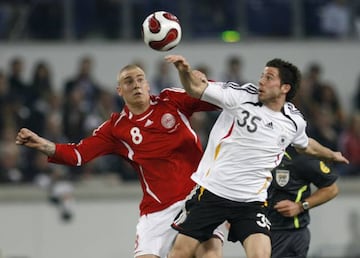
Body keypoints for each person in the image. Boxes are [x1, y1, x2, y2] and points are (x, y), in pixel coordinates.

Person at [15, 64, 223, 258]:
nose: (136, 85)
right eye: (128, 81)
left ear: (148, 84)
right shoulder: (116, 129)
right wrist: (42, 144)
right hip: (157, 210)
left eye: (140, 79)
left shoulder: (172, 100)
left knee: (210, 254)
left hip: (198, 198)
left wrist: (201, 82)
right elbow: (78, 154)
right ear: (119, 91)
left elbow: (215, 98)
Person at [164, 54, 349, 258]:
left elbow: (306, 146)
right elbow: (195, 89)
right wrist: (184, 71)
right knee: (180, 253)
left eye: (269, 77)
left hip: (251, 201)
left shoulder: (294, 121)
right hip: (213, 192)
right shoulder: (240, 96)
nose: (261, 80)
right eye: (262, 75)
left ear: (284, 88)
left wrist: (331, 154)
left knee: (261, 254)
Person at [268, 146, 339, 258]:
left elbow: (331, 189)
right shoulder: (255, 153)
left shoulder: (299, 157)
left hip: (288, 232)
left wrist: (300, 206)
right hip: (259, 230)